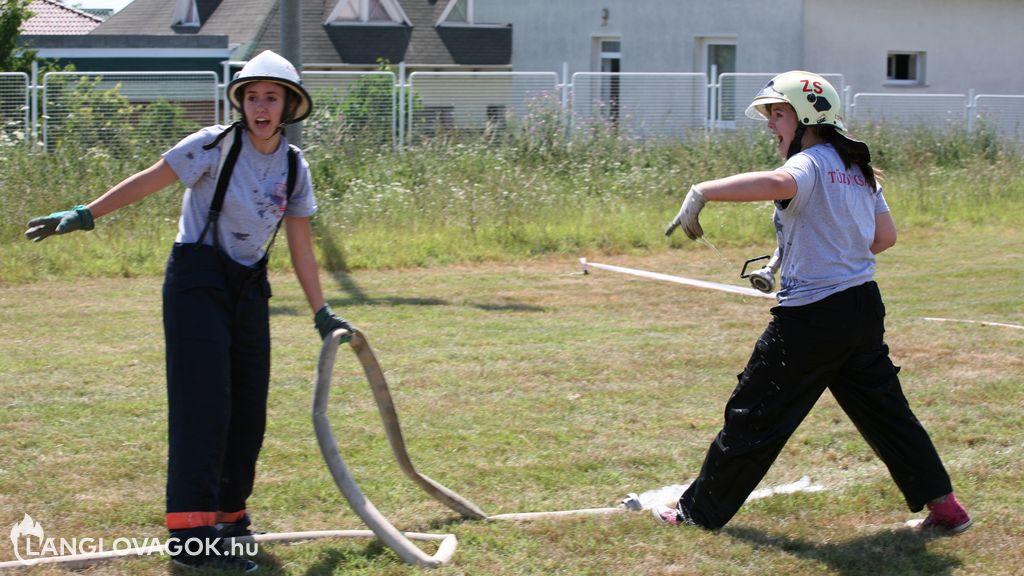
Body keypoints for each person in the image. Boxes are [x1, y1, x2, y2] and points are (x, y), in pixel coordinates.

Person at [25, 50, 354, 571]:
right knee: (205, 406)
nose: (260, 106)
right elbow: (150, 178)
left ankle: (228, 521)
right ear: (240, 103)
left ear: (289, 105)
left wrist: (322, 312)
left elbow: (301, 247)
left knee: (248, 408)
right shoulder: (211, 145)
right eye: (251, 96)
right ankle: (193, 540)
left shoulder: (294, 166)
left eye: (271, 97)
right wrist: (86, 214)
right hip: (196, 281)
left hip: (249, 288)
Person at [656, 71, 971, 534]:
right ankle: (946, 511)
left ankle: (695, 513)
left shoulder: (811, 163)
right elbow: (883, 238)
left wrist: (702, 191)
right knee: (887, 415)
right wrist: (816, 250)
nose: (770, 125)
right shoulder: (857, 168)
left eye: (777, 114)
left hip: (813, 319)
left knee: (753, 412)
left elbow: (777, 182)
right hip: (862, 307)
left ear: (807, 118)